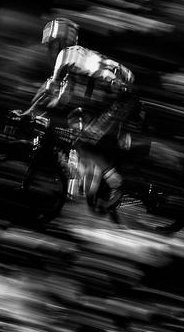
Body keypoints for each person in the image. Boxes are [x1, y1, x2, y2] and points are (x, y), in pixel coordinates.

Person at [15, 17, 142, 211]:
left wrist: (27, 113)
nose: (48, 50)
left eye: (49, 45)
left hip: (121, 98)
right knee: (75, 121)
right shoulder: (75, 60)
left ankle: (116, 182)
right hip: (116, 97)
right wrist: (37, 112)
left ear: (59, 41)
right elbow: (57, 98)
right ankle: (92, 184)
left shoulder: (66, 55)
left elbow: (50, 91)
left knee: (81, 140)